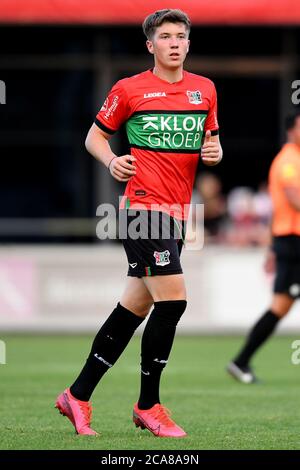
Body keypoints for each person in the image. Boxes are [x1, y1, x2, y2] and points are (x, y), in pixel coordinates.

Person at [55, 9, 222, 437]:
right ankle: (149, 406)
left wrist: (214, 152)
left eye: (180, 36)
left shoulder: (204, 90)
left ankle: (77, 395)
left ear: (187, 43)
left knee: (135, 308)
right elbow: (94, 136)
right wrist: (112, 160)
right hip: (140, 211)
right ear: (151, 45)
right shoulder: (129, 89)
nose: (174, 43)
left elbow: (211, 139)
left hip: (178, 214)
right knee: (174, 302)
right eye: (165, 36)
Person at [227, 112, 300, 384]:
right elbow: (293, 199)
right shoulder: (288, 160)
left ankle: (241, 361)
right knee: (280, 306)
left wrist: (271, 248)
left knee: (280, 306)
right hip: (293, 243)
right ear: (291, 131)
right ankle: (241, 360)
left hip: (288, 241)